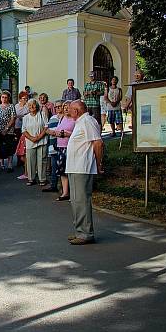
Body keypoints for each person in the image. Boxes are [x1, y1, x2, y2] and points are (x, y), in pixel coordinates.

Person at [65, 100, 104, 245]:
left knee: (81, 201)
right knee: (76, 201)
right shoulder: (81, 121)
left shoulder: (87, 120)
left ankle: (86, 233)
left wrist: (99, 164)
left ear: (77, 110)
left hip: (82, 167)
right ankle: (80, 231)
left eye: (70, 109)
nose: (68, 111)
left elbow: (98, 143)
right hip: (75, 167)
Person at [45, 101, 75, 200]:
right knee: (62, 171)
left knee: (70, 171)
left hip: (70, 147)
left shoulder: (75, 119)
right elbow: (57, 130)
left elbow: (77, 134)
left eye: (67, 107)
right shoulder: (62, 118)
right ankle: (65, 193)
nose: (65, 109)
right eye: (64, 107)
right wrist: (51, 132)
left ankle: (73, 193)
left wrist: (65, 134)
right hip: (60, 147)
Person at [22, 99, 48, 186]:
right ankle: (31, 179)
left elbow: (46, 127)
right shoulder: (25, 118)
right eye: (29, 105)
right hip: (30, 141)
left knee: (42, 160)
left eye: (33, 105)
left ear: (36, 105)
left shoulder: (42, 114)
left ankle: (42, 179)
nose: (32, 107)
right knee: (30, 161)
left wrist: (39, 137)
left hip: (42, 140)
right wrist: (32, 138)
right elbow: (24, 130)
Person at [0, 90, 17, 172]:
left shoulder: (11, 106)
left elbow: (13, 119)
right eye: (2, 97)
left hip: (8, 131)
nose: (4, 99)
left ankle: (9, 165)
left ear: (8, 98)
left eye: (6, 97)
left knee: (9, 148)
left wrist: (6, 129)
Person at [14, 91, 30, 180]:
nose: (25, 100)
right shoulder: (16, 106)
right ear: (20, 99)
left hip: (25, 127)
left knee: (24, 146)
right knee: (18, 144)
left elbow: (28, 114)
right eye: (23, 98)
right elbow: (15, 115)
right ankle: (19, 161)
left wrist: (22, 116)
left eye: (26, 98)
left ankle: (25, 165)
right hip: (17, 126)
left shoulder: (28, 106)